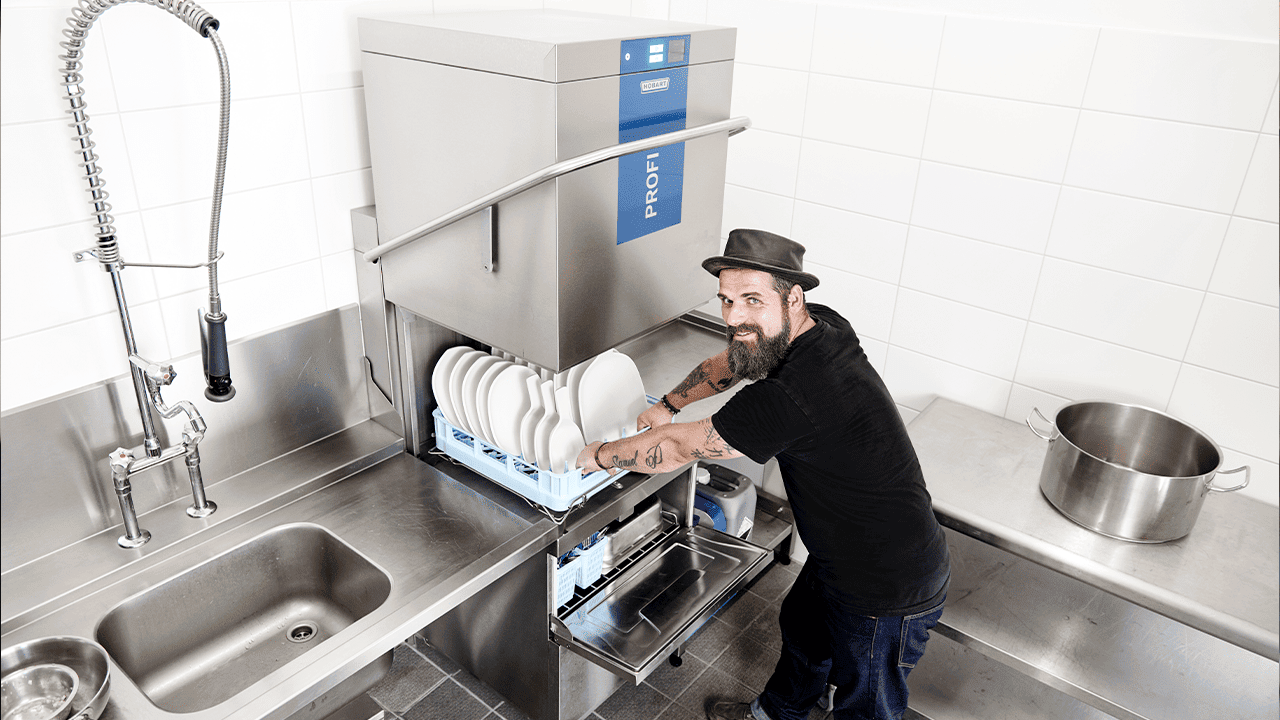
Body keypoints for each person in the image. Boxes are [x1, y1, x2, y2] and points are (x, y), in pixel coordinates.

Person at [576, 228, 950, 720]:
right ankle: (773, 716)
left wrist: (595, 455)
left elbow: (675, 449)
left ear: (792, 297)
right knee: (804, 632)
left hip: (888, 583)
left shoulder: (792, 396)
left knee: (868, 706)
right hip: (843, 553)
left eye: (752, 300)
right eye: (727, 300)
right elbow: (735, 359)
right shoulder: (823, 327)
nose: (734, 317)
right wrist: (669, 403)